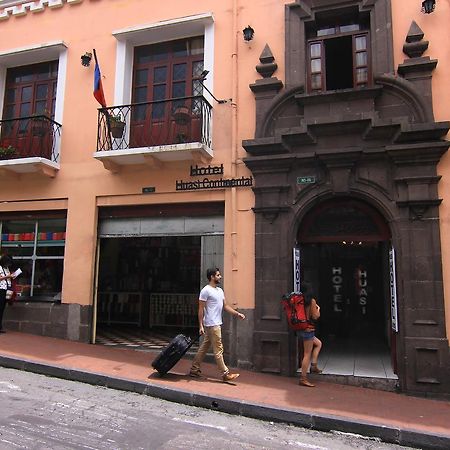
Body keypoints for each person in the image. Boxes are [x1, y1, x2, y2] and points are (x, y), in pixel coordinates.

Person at [189, 267, 245, 382]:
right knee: (218, 349)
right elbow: (200, 309)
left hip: (214, 323)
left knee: (204, 347)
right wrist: (200, 325)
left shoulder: (220, 291)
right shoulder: (206, 290)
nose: (220, 277)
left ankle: (194, 369)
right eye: (218, 275)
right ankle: (225, 373)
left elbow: (225, 306)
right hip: (212, 324)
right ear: (212, 277)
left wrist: (237, 313)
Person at [298, 290, 322, 387]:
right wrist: (318, 309)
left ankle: (314, 366)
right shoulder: (311, 301)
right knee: (307, 354)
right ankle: (303, 378)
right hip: (308, 329)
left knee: (318, 343)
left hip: (300, 328)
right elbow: (315, 316)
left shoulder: (299, 300)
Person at [0, 255, 14, 333]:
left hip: (6, 289)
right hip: (1, 288)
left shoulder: (7, 268)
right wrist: (7, 276)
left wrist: (12, 276)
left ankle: (0, 326)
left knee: (2, 308)